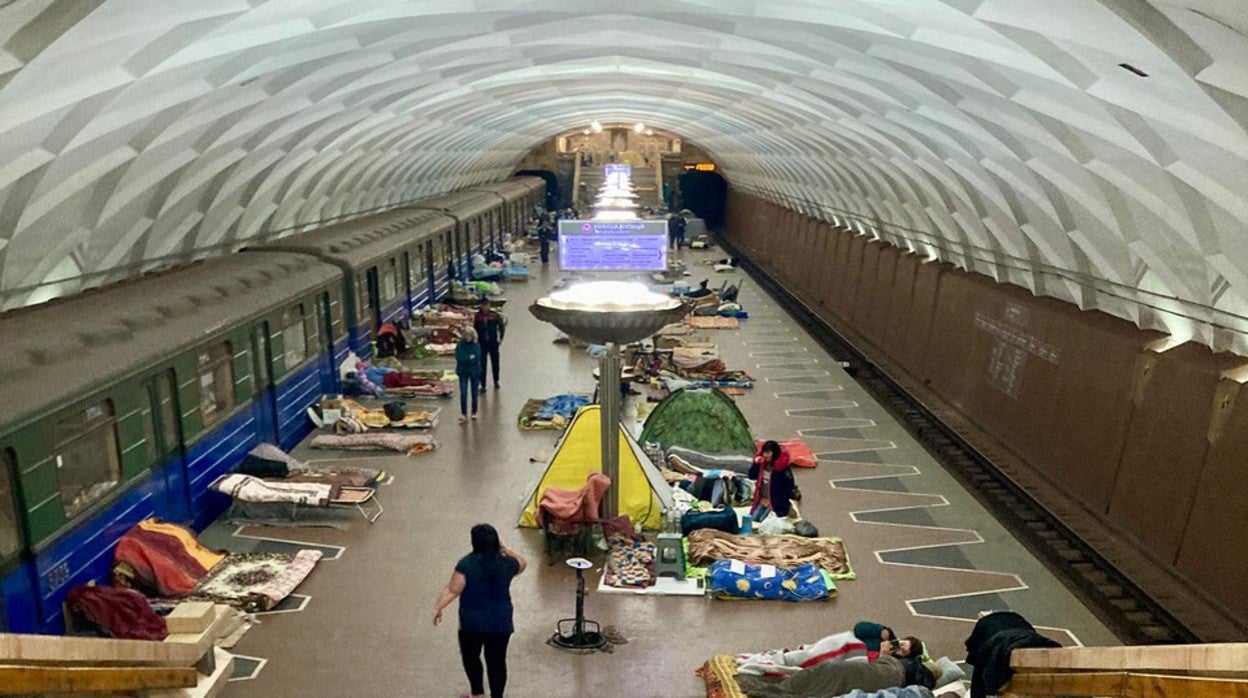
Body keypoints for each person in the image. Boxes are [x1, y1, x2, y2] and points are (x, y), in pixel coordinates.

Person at [434, 524, 528, 698]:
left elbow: (453, 590)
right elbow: (523, 564)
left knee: (471, 658)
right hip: (500, 622)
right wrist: (506, 550)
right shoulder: (506, 564)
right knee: (497, 662)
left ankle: (477, 693)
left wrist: (439, 607)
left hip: (472, 623)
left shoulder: (466, 564)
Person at [749, 440, 797, 521]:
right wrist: (755, 464)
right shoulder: (762, 464)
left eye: (768, 453)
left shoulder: (782, 468)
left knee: (763, 520)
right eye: (764, 452)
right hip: (763, 500)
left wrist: (781, 501)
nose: (765, 455)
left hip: (776, 502)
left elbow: (789, 485)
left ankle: (788, 509)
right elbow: (751, 476)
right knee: (754, 519)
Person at [474, 298, 505, 390]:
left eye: (487, 305)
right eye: (483, 305)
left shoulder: (494, 315)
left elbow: (501, 326)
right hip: (482, 343)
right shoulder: (477, 316)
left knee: (495, 362)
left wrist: (501, 338)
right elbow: (474, 329)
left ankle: (496, 381)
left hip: (493, 342)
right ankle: (483, 384)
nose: (485, 307)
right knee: (482, 364)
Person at [853, 621, 925, 661]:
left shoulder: (893, 663)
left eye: (903, 651)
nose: (899, 648)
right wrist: (880, 630)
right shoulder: (886, 636)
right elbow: (858, 629)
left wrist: (883, 656)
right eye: (902, 644)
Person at [455, 328, 483, 423]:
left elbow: (477, 358)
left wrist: (467, 358)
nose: (467, 338)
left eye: (469, 336)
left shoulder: (476, 345)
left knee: (474, 393)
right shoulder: (460, 345)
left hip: (474, 372)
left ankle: (474, 412)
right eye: (466, 335)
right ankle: (464, 414)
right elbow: (459, 357)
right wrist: (469, 357)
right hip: (463, 372)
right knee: (463, 392)